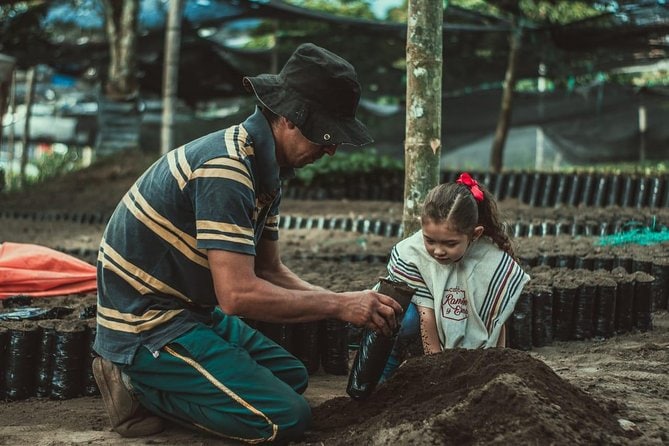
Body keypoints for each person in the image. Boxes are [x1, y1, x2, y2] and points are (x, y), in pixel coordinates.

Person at [92, 43, 403, 443]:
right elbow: (237, 295)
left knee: (291, 377)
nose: (330, 148)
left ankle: (171, 380)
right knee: (284, 418)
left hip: (190, 312)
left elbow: (269, 269)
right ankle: (137, 388)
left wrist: (344, 302)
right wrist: (341, 305)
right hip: (148, 324)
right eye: (325, 134)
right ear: (290, 118)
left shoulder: (265, 169)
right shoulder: (226, 169)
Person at [380, 173, 530, 380]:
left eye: (450, 244)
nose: (438, 251)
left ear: (475, 235)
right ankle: (386, 371)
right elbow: (427, 315)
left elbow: (496, 316)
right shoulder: (412, 254)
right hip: (414, 325)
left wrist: (495, 361)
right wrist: (437, 368)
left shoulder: (490, 259)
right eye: (430, 241)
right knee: (405, 317)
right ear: (421, 225)